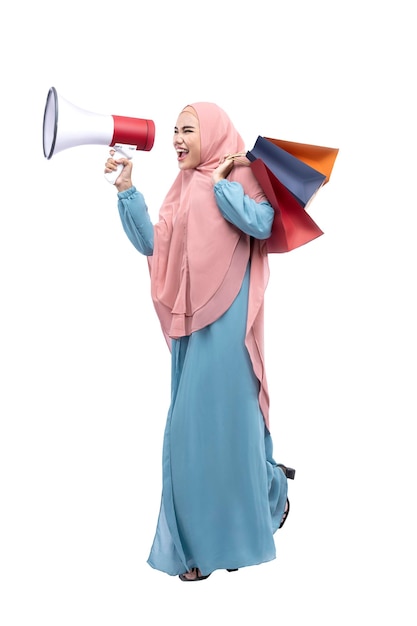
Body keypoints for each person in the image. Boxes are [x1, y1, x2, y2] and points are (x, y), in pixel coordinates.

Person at [105, 102, 295, 582]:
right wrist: (127, 190)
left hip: (230, 327)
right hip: (192, 327)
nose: (176, 139)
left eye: (187, 130)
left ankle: (251, 514)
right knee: (191, 436)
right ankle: (207, 539)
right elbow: (154, 244)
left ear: (211, 133)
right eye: (173, 131)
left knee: (231, 434)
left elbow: (262, 224)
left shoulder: (244, 173)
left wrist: (224, 182)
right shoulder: (182, 188)